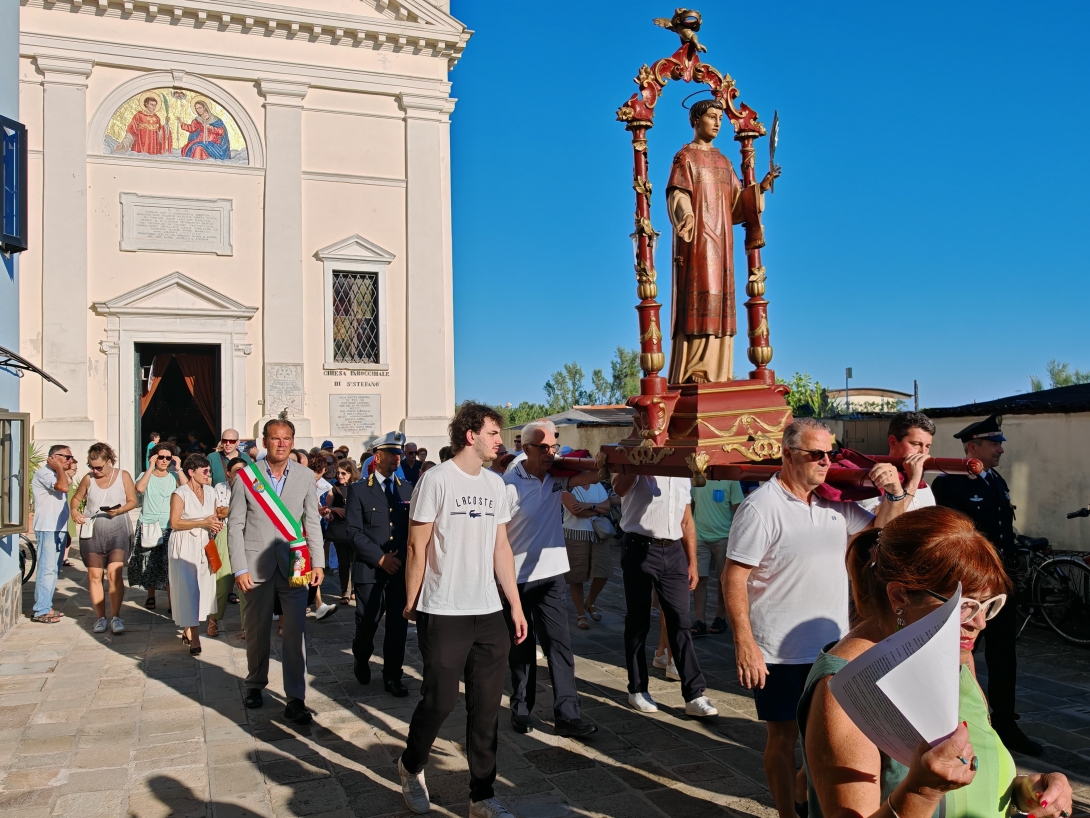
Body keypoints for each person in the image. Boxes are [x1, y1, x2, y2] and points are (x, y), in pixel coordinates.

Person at [800, 506, 1074, 818]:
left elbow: (971, 774)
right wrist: (922, 792)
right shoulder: (845, 687)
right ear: (900, 596)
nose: (980, 622)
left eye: (990, 604)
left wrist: (1028, 790)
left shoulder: (954, 654)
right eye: (965, 606)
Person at [723, 418, 921, 818]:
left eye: (829, 453)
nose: (825, 461)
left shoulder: (833, 503)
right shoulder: (761, 508)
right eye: (815, 454)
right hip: (779, 650)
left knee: (829, 737)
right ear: (788, 454)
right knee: (782, 739)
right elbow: (733, 577)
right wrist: (745, 644)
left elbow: (878, 539)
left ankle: (804, 796)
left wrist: (898, 491)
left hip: (833, 649)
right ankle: (786, 813)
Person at [398, 403, 527, 818]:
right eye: (493, 433)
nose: (500, 441)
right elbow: (417, 545)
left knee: (487, 708)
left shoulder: (496, 485)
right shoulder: (435, 480)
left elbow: (501, 547)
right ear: (470, 435)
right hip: (443, 609)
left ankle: (482, 795)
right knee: (439, 701)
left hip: (489, 612)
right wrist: (412, 600)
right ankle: (410, 765)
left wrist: (515, 605)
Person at [932, 414, 1040, 756]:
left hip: (1001, 587)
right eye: (994, 444)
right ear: (971, 447)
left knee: (1004, 657)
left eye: (1000, 444)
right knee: (960, 657)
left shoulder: (996, 482)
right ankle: (952, 725)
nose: (1000, 451)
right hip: (968, 589)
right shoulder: (949, 485)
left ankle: (1006, 724)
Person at [665, 98, 779, 384]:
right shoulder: (685, 157)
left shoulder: (724, 161)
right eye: (711, 117)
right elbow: (677, 193)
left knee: (721, 298)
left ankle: (719, 371)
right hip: (698, 241)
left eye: (719, 117)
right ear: (695, 121)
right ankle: (695, 370)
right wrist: (686, 215)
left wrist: (760, 188)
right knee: (699, 295)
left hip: (721, 243)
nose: (717, 122)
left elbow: (738, 204)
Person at [502, 421, 599, 737]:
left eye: (553, 446)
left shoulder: (557, 476)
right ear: (526, 448)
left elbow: (594, 475)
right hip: (517, 577)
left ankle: (567, 715)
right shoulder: (510, 484)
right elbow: (498, 535)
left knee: (560, 645)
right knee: (522, 646)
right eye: (542, 448)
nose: (549, 453)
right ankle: (520, 708)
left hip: (552, 574)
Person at [227, 418, 325, 724]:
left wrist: (318, 562)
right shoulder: (247, 476)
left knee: (295, 633)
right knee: (256, 631)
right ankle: (256, 684)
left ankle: (296, 697)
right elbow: (235, 525)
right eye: (274, 438)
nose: (280, 444)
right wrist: (239, 567)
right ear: (265, 441)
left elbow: (312, 521)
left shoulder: (306, 476)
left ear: (292, 442)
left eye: (286, 439)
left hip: (295, 565)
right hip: (256, 565)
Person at [612, 471, 718, 718]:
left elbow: (686, 521)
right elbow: (618, 487)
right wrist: (639, 463)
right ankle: (637, 688)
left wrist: (692, 562)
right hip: (639, 546)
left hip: (673, 552)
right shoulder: (636, 464)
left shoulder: (681, 474)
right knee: (638, 620)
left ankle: (694, 694)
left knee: (681, 621)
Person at [345, 433, 412, 696]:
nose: (397, 457)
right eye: (392, 453)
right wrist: (381, 558)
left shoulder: (408, 488)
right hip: (371, 569)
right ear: (378, 456)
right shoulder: (359, 489)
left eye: (400, 453)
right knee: (367, 623)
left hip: (399, 570)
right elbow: (353, 531)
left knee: (398, 625)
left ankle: (393, 676)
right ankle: (361, 656)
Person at [70, 443, 137, 635]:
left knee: (114, 575)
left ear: (109, 462)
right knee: (94, 576)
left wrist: (119, 510)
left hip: (118, 531)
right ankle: (100, 618)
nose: (95, 470)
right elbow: (76, 498)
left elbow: (133, 501)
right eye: (91, 466)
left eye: (99, 467)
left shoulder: (123, 476)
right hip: (93, 533)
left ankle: (116, 617)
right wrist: (75, 511)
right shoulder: (88, 479)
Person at [168, 454, 221, 655]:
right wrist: (202, 522)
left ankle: (190, 629)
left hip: (205, 543)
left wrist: (216, 523)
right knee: (189, 588)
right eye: (204, 471)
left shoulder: (211, 491)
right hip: (184, 543)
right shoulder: (180, 493)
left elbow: (213, 515)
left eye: (209, 470)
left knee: (204, 587)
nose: (208, 474)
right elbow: (174, 523)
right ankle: (195, 638)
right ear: (191, 472)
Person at [131, 444, 185, 611]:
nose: (164, 461)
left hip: (168, 526)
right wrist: (150, 467)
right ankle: (150, 596)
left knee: (169, 565)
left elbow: (186, 488)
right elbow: (139, 488)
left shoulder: (174, 476)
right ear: (154, 457)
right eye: (160, 457)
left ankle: (171, 602)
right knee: (148, 562)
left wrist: (180, 467)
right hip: (147, 525)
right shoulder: (144, 475)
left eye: (167, 458)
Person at [690, 478, 744, 636]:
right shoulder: (696, 478)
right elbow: (691, 504)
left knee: (723, 579)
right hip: (700, 536)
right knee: (699, 578)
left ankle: (720, 616)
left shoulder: (731, 481)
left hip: (723, 537)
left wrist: (737, 538)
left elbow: (738, 510)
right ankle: (699, 620)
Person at [562, 478, 616, 630]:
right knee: (576, 577)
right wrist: (597, 508)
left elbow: (607, 507)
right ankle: (581, 614)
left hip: (598, 534)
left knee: (603, 572)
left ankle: (590, 602)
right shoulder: (567, 486)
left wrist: (589, 506)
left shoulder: (597, 485)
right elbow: (575, 511)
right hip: (575, 535)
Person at [858, 412, 937, 514]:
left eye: (927, 446)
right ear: (893, 442)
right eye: (916, 444)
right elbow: (882, 526)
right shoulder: (869, 481)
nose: (923, 453)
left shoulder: (924, 487)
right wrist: (912, 484)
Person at [30, 445, 75, 623]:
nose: (70, 461)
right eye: (67, 457)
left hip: (58, 528)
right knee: (46, 569)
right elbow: (63, 487)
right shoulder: (45, 473)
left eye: (71, 458)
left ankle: (46, 605)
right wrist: (58, 468)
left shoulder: (57, 473)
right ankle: (40, 610)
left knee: (53, 569)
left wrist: (61, 469)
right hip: (47, 527)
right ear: (54, 457)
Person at [325, 458, 360, 605]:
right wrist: (333, 510)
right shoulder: (333, 489)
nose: (340, 476)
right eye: (338, 473)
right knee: (344, 563)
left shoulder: (358, 487)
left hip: (356, 530)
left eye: (343, 473)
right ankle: (345, 592)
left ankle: (355, 591)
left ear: (351, 473)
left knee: (357, 562)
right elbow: (325, 511)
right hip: (340, 532)